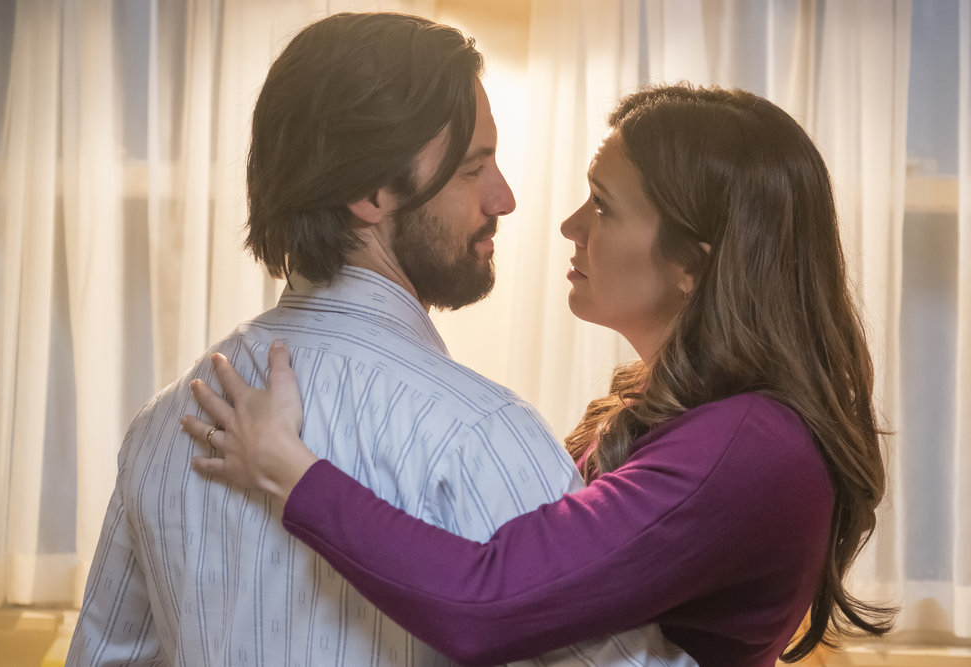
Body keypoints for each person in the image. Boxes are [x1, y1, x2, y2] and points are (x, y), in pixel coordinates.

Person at [183, 84, 897, 667]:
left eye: (603, 206)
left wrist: (291, 470)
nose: (570, 225)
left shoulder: (748, 447)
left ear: (692, 263)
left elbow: (488, 601)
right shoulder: (689, 419)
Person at [68, 12, 691, 667]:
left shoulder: (165, 427)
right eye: (472, 169)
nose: (504, 198)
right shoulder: (480, 434)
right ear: (370, 191)